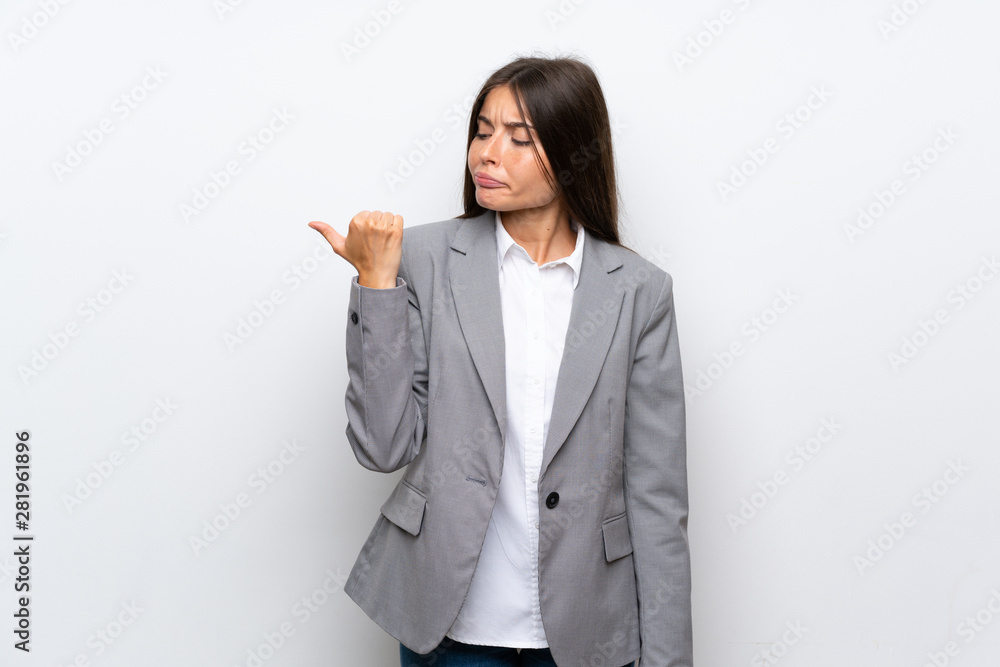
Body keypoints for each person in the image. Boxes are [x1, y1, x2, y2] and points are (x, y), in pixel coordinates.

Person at [309, 54, 692, 667]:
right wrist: (377, 285)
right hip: (449, 626)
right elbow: (382, 447)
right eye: (482, 131)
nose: (487, 154)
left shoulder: (638, 292)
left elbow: (657, 497)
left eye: (519, 138)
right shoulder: (422, 259)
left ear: (574, 153)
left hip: (587, 627)